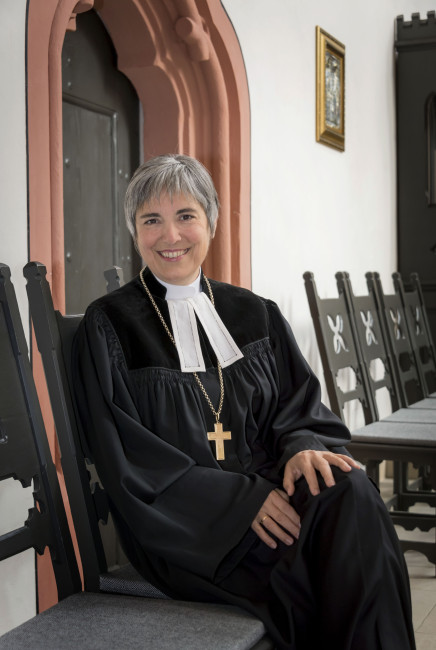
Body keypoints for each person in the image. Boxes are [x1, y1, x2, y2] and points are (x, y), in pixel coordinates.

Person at [73, 154, 416, 650]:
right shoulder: (109, 327)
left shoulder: (254, 313)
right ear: (135, 231)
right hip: (189, 528)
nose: (170, 236)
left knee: (352, 494)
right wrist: (241, 502)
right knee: (318, 566)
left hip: (272, 495)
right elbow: (126, 456)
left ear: (209, 221)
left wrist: (301, 445)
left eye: (185, 216)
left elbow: (298, 407)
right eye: (152, 220)